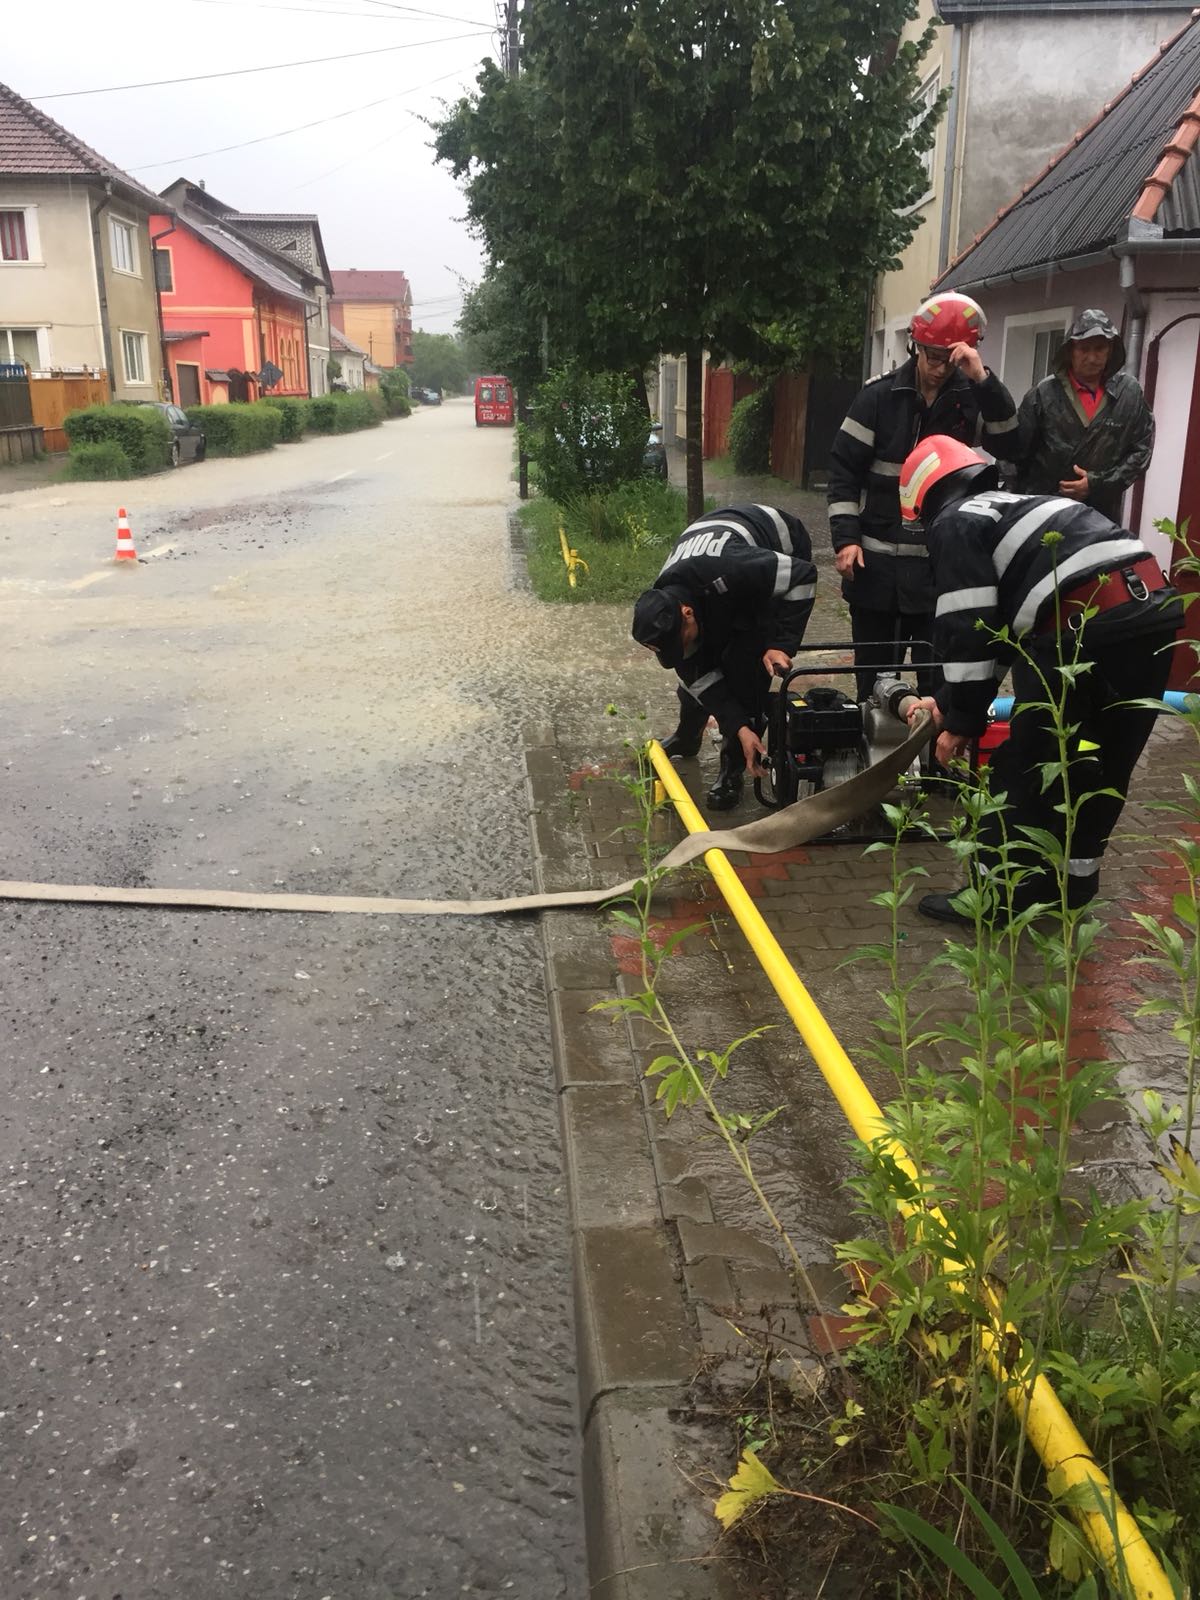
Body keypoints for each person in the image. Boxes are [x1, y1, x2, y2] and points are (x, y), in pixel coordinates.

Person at [897, 434, 1182, 924]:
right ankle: (1071, 890)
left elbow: (969, 628)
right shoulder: (1020, 508)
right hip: (1151, 618)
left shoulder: (956, 521)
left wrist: (961, 723)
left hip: (1081, 628)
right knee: (1102, 764)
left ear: (924, 499)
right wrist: (947, 702)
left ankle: (990, 899)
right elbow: (1002, 638)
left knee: (1021, 765)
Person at [828, 292, 1018, 698]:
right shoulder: (878, 398)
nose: (939, 367)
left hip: (940, 575)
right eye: (933, 356)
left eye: (951, 358)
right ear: (916, 346)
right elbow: (843, 471)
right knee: (874, 688)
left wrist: (983, 380)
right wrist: (845, 540)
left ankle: (937, 740)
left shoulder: (971, 398)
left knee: (940, 687)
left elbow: (1010, 445)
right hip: (877, 573)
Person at [631, 504, 816, 810]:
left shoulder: (735, 568)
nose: (681, 653)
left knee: (745, 666)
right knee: (700, 664)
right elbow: (696, 674)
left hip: (782, 550)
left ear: (687, 613)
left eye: (680, 642)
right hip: (718, 576)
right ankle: (688, 736)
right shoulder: (665, 597)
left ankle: (734, 764)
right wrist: (737, 724)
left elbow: (803, 576)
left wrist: (781, 644)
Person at [1012, 309, 1155, 523]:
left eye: (1099, 349)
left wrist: (1097, 484)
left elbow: (1141, 451)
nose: (1092, 357)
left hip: (1100, 515)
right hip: (1044, 512)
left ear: (1110, 349)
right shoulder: (1044, 393)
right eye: (1084, 349)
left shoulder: (1129, 393)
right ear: (1070, 350)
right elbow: (1015, 454)